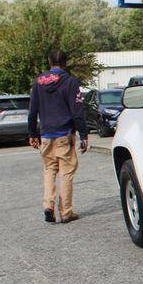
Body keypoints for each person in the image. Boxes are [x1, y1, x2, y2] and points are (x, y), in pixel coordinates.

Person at [27, 50, 89, 223]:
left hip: (46, 135)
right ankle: (66, 211)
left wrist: (32, 133)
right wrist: (83, 135)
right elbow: (77, 111)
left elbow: (32, 111)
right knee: (66, 172)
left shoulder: (38, 82)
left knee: (49, 170)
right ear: (65, 62)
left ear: (49, 62)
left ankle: (48, 205)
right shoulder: (70, 81)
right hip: (64, 134)